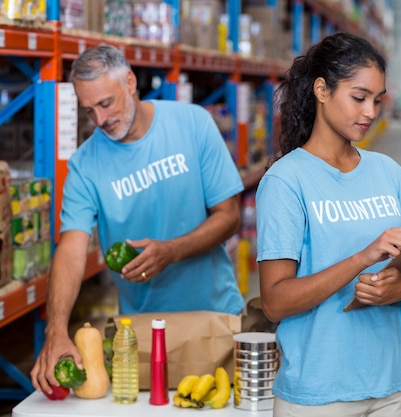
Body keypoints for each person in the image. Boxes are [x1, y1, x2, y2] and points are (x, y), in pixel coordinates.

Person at [31, 44, 245, 395]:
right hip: (143, 332)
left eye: (106, 103)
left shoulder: (192, 123)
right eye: (89, 111)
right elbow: (70, 248)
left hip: (216, 318)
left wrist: (171, 251)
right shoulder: (85, 165)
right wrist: (56, 330)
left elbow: (229, 216)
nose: (100, 120)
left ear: (130, 81)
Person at [256, 32, 401, 417]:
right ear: (322, 90)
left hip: (387, 387)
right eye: (359, 97)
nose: (370, 111)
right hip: (318, 396)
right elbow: (273, 302)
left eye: (377, 100)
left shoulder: (389, 173)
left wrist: (400, 287)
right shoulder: (287, 181)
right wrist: (363, 257)